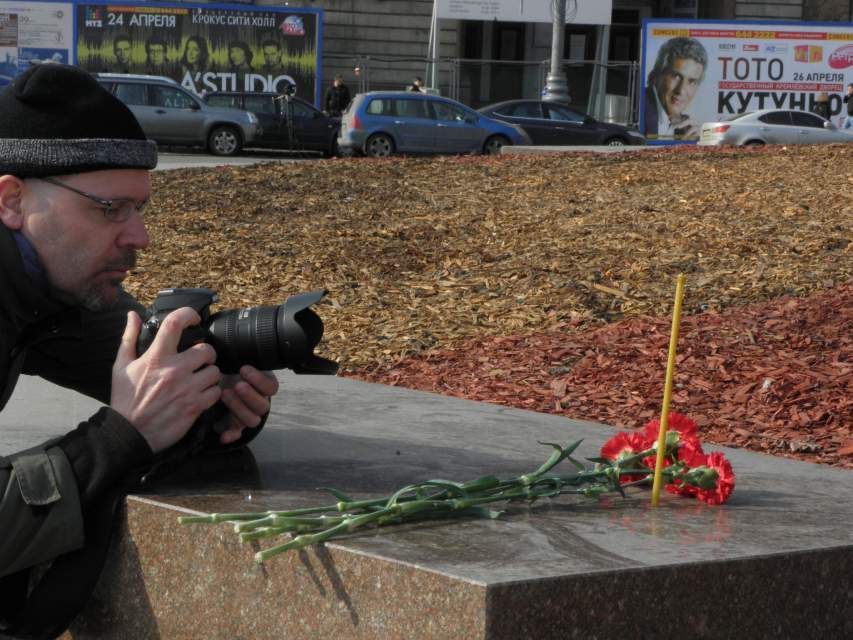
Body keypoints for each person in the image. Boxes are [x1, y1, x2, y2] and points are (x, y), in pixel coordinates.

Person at [0, 63, 278, 638]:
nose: (139, 237)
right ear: (11, 201)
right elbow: (126, 430)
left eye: (139, 208)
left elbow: (140, 369)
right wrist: (118, 438)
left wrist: (211, 403)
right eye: (109, 210)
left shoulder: (51, 282)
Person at [643, 37, 708, 140]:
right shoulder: (639, 108)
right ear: (658, 74)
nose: (681, 90)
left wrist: (695, 144)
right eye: (676, 76)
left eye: (691, 82)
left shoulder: (686, 126)